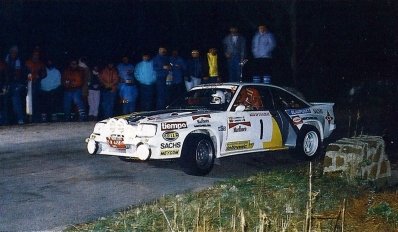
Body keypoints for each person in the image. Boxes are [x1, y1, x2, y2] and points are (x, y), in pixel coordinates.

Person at [25, 49, 47, 122]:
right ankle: (29, 118)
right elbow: (24, 73)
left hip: (37, 84)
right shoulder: (27, 63)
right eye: (35, 55)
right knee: (28, 101)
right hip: (28, 84)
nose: (36, 56)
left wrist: (39, 76)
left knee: (36, 101)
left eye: (37, 55)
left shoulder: (41, 64)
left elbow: (44, 73)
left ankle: (36, 118)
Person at [5, 46, 25, 125]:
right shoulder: (6, 58)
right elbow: (5, 70)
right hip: (6, 83)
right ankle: (5, 120)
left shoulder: (18, 61)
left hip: (16, 83)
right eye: (12, 51)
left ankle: (20, 119)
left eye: (15, 52)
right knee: (5, 102)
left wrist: (11, 76)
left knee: (16, 100)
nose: (13, 53)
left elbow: (17, 74)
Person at [0, 55, 8, 125]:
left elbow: (6, 77)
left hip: (2, 87)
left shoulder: (3, 65)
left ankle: (4, 121)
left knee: (2, 104)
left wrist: (5, 87)